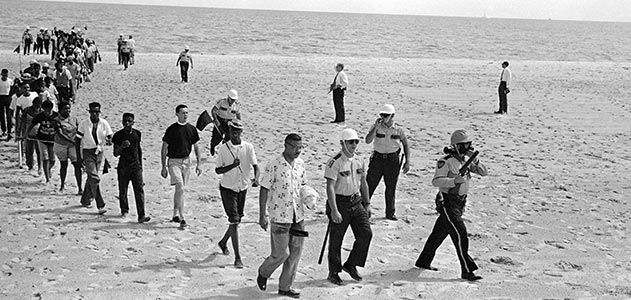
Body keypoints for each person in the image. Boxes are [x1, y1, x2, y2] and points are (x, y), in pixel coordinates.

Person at [415, 129, 488, 281]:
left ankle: (423, 261)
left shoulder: (466, 160)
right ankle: (467, 270)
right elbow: (436, 181)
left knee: (439, 233)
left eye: (468, 145)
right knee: (460, 234)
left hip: (461, 202)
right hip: (448, 201)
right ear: (455, 146)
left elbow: (483, 172)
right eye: (463, 146)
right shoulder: (446, 161)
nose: (466, 148)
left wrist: (475, 160)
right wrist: (453, 181)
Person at [257, 133, 307, 299]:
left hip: (298, 215)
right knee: (281, 253)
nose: (298, 151)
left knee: (294, 255)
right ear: (286, 146)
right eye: (294, 147)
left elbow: (303, 186)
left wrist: (309, 197)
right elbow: (264, 188)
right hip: (279, 216)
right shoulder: (274, 165)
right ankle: (264, 272)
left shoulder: (300, 164)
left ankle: (285, 287)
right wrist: (262, 214)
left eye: (300, 147)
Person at [324, 128, 372, 285]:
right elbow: (330, 187)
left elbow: (363, 182)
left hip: (356, 202)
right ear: (342, 143)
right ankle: (333, 272)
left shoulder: (359, 160)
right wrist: (334, 210)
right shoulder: (335, 162)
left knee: (366, 234)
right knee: (336, 240)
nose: (354, 144)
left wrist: (368, 203)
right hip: (340, 203)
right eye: (350, 142)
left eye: (356, 141)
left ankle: (351, 264)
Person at [215, 119, 259, 268]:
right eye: (232, 131)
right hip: (228, 188)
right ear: (229, 131)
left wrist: (256, 178)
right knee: (234, 220)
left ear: (241, 132)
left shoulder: (248, 147)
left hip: (243, 188)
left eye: (237, 132)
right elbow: (218, 170)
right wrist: (231, 166)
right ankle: (238, 258)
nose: (235, 134)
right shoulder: (223, 148)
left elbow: (255, 166)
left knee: (237, 221)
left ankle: (223, 242)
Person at [364, 104, 411, 221]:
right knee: (370, 184)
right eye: (382, 115)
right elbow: (368, 140)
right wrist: (375, 127)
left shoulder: (398, 129)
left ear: (392, 116)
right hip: (377, 159)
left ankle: (390, 212)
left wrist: (407, 162)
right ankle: (363, 210)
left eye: (386, 115)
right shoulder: (376, 127)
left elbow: (405, 144)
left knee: (391, 187)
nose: (383, 117)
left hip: (392, 160)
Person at [161, 104, 202, 229]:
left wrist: (199, 164)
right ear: (177, 114)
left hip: (186, 162)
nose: (185, 115)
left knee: (180, 190)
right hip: (173, 162)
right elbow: (164, 148)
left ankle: (174, 214)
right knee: (180, 186)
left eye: (187, 113)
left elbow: (196, 147)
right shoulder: (171, 129)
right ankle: (182, 216)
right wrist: (163, 166)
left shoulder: (191, 129)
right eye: (183, 113)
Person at [76, 102, 113, 214]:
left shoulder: (104, 123)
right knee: (94, 177)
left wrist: (109, 140)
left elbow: (109, 135)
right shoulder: (84, 124)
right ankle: (100, 204)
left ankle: (85, 200)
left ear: (99, 112)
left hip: (99, 152)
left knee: (92, 178)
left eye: (96, 112)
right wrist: (79, 157)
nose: (94, 114)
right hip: (87, 152)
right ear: (89, 112)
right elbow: (77, 140)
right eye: (92, 112)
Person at [113, 113, 150, 223]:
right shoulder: (118, 135)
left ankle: (141, 215)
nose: (127, 123)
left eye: (129, 121)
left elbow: (138, 150)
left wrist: (141, 167)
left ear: (133, 122)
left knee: (139, 190)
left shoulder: (137, 134)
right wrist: (122, 147)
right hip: (123, 166)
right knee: (123, 190)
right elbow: (115, 153)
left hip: (135, 166)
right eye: (125, 121)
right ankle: (124, 210)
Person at [53, 102, 82, 194]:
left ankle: (80, 187)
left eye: (68, 108)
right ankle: (62, 185)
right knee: (63, 165)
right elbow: (60, 134)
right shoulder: (56, 120)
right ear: (60, 110)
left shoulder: (74, 119)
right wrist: (72, 141)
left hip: (73, 145)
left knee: (77, 165)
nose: (67, 110)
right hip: (61, 145)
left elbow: (79, 130)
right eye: (65, 109)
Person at [28, 100, 59, 183]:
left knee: (52, 160)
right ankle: (47, 178)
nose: (47, 113)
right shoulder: (40, 116)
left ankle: (48, 169)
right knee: (45, 158)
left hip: (53, 140)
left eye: (49, 111)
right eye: (45, 111)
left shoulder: (56, 116)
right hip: (42, 139)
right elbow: (32, 124)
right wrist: (26, 134)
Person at [209, 89, 241, 156]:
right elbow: (213, 111)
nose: (232, 101)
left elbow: (238, 115)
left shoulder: (236, 105)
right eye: (231, 99)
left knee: (228, 140)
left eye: (234, 100)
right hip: (220, 122)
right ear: (228, 97)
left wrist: (239, 124)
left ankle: (223, 152)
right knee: (217, 138)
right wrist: (216, 120)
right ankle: (212, 146)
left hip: (230, 123)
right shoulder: (222, 102)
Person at [18, 97, 42, 172]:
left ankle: (40, 167)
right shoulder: (27, 110)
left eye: (39, 106)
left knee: (39, 151)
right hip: (29, 133)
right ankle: (30, 166)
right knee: (29, 151)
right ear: (33, 104)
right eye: (36, 105)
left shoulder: (42, 112)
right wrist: (21, 131)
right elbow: (22, 122)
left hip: (39, 134)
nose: (37, 107)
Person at [0, 69, 13, 139]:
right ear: (1, 74)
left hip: (8, 98)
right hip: (1, 97)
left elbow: (12, 90)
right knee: (1, 115)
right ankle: (3, 130)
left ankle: (9, 131)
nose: (5, 77)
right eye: (3, 75)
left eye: (6, 75)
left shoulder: (10, 81)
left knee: (9, 115)